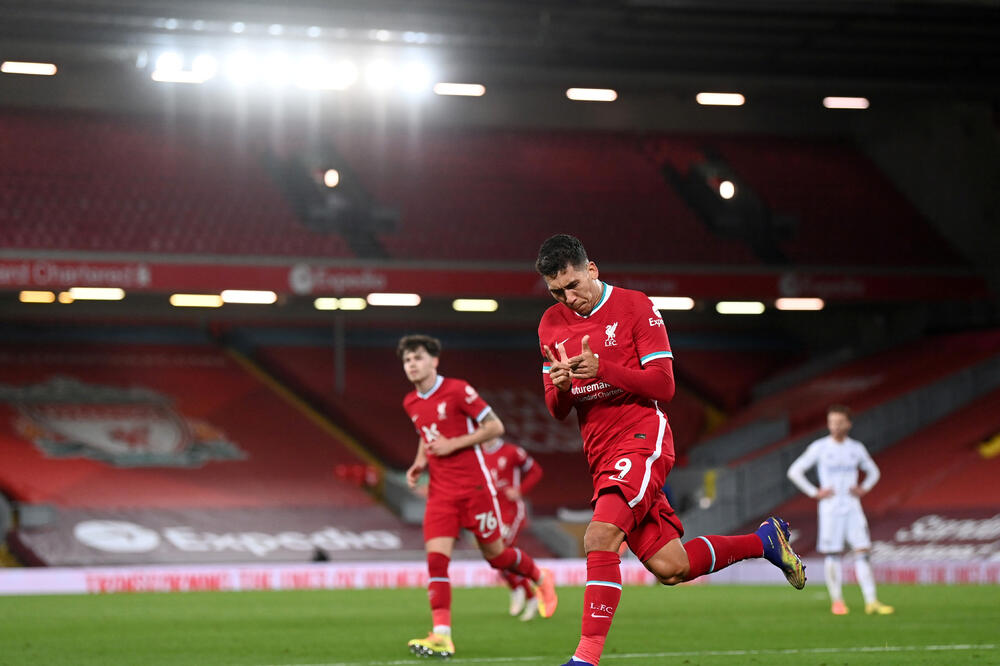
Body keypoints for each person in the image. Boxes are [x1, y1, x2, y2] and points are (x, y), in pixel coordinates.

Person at [534, 234, 806, 666]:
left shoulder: (636, 306)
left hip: (643, 437)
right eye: (556, 291)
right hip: (601, 454)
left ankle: (584, 659)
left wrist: (605, 368)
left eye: (573, 285)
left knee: (600, 536)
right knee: (671, 567)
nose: (569, 298)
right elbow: (556, 408)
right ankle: (764, 541)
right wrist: (563, 388)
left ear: (592, 269)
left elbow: (664, 384)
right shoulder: (551, 323)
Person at [398, 334, 558, 659]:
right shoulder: (411, 402)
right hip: (441, 494)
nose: (411, 365)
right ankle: (442, 635)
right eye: (406, 360)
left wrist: (454, 444)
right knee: (436, 562)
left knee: (497, 556)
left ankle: (541, 576)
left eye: (417, 358)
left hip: (474, 489)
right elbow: (426, 434)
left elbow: (495, 427)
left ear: (434, 361)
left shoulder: (458, 390)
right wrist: (419, 463)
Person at [787, 405, 894, 616]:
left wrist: (864, 488)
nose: (835, 426)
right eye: (831, 422)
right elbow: (795, 471)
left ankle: (871, 601)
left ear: (848, 424)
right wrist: (814, 491)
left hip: (853, 507)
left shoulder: (856, 448)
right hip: (830, 509)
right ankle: (837, 601)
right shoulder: (820, 447)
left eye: (839, 422)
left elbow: (873, 471)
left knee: (863, 551)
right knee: (833, 554)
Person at [481, 437, 544, 621]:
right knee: (495, 557)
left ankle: (530, 597)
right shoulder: (478, 454)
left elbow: (535, 471)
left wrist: (520, 490)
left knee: (502, 553)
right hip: (491, 512)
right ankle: (517, 589)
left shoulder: (512, 452)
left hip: (510, 510)